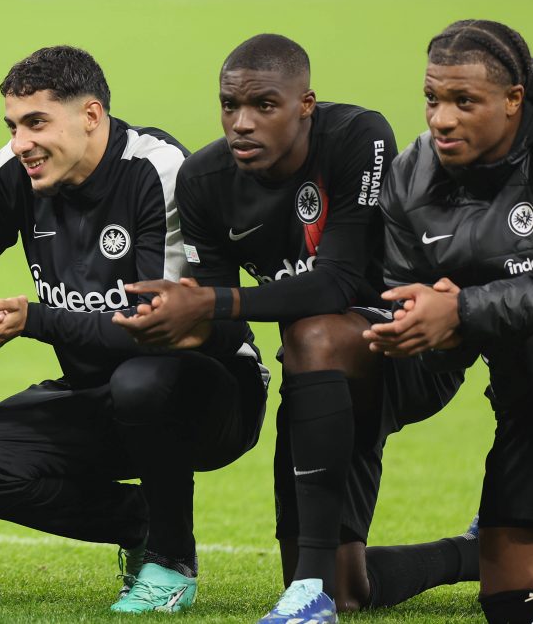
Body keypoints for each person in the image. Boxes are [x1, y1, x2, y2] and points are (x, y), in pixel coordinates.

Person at [113, 34, 478, 623]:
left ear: (305, 104)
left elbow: (337, 282)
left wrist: (210, 302)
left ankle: (308, 591)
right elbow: (229, 329)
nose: (242, 124)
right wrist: (175, 327)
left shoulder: (358, 137)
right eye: (230, 106)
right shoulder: (205, 180)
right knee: (349, 589)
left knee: (312, 333)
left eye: (264, 105)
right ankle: (472, 553)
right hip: (318, 383)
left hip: (412, 350)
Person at [0, 45, 270, 614]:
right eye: (12, 125)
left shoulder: (157, 170)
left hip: (211, 392)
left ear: (91, 115)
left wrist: (35, 319)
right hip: (98, 392)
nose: (20, 143)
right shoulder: (16, 172)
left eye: (37, 123)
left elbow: (159, 328)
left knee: (142, 379)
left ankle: (172, 560)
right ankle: (141, 522)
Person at [361, 20, 533, 624]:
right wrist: (429, 327)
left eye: (463, 102)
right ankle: (467, 555)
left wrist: (467, 308)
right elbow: (416, 308)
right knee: (511, 608)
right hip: (527, 403)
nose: (440, 120)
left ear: (513, 100)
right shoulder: (410, 177)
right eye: (432, 98)